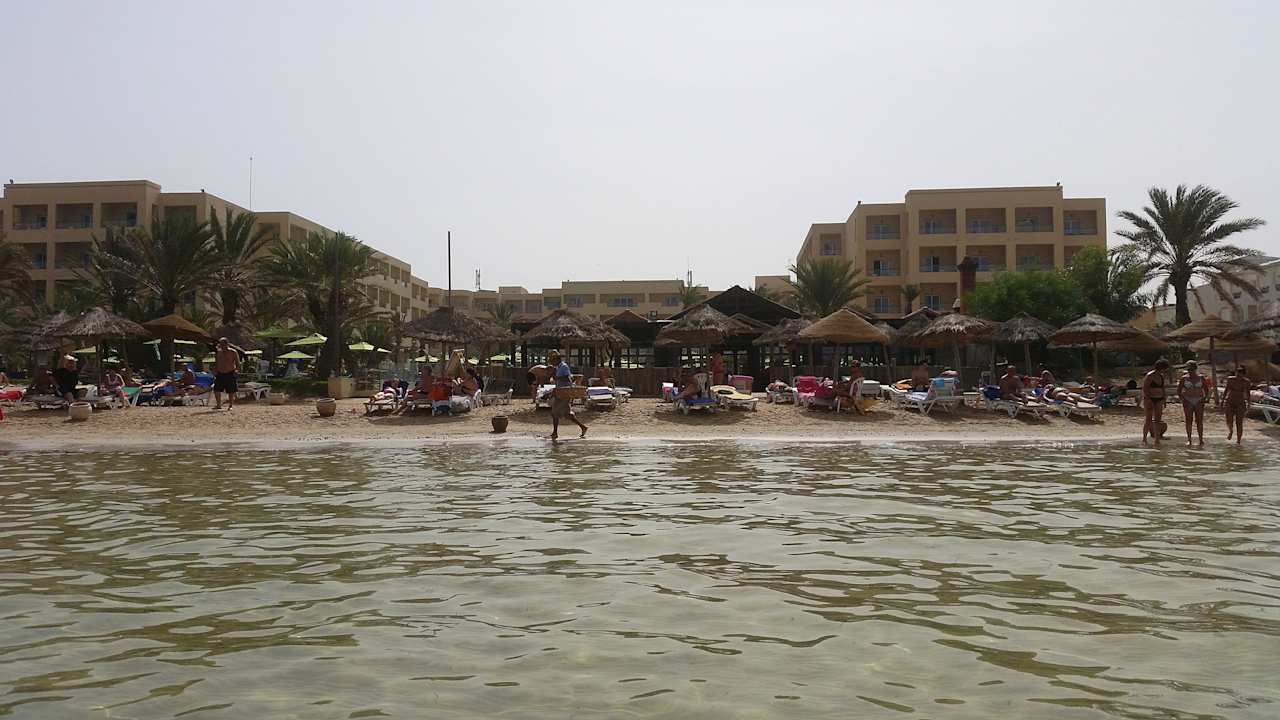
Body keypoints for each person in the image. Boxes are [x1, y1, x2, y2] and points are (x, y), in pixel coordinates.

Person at [548, 349, 587, 440]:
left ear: (557, 359)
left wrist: (556, 377)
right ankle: (583, 427)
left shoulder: (564, 367)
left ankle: (555, 433)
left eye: (552, 360)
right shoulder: (558, 367)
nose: (552, 362)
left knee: (554, 413)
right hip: (560, 393)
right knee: (567, 415)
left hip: (565, 393)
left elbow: (568, 379)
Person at [1177, 361, 1207, 446]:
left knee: (1199, 421)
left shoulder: (1201, 378)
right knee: (1188, 420)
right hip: (1188, 400)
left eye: (1192, 369)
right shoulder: (1184, 378)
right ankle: (1189, 439)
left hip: (1199, 400)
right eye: (1189, 369)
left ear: (1195, 369)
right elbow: (1179, 390)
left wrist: (1204, 399)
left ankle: (1201, 439)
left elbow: (1206, 389)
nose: (1190, 371)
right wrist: (1182, 399)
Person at [1142, 358, 1169, 446]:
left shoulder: (1161, 376)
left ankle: (1157, 439)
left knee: (1158, 420)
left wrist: (1164, 398)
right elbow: (1145, 388)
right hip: (1150, 398)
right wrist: (1148, 399)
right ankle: (1144, 439)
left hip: (1159, 399)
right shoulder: (1150, 375)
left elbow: (1163, 387)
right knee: (1148, 419)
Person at [1223, 365, 1251, 444]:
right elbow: (1226, 390)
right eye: (1237, 374)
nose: (1238, 376)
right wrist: (1222, 401)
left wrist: (1249, 404)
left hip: (1240, 403)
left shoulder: (1246, 382)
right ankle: (1231, 431)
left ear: (1243, 375)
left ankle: (1238, 441)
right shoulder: (1230, 379)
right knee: (1228, 419)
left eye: (1240, 375)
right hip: (1230, 401)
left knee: (1239, 422)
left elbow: (1248, 394)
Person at [212, 337, 241, 410]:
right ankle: (218, 405)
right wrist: (215, 370)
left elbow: (238, 363)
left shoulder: (233, 352)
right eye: (220, 344)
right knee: (216, 390)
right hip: (220, 373)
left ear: (226, 344)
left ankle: (230, 405)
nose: (221, 346)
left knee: (231, 391)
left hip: (230, 372)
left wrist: (237, 370)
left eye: (222, 344)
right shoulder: (218, 352)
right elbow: (216, 362)